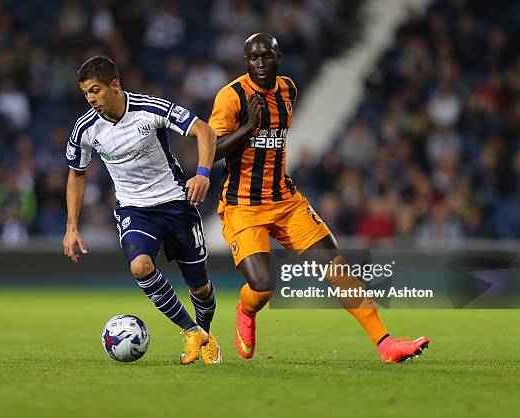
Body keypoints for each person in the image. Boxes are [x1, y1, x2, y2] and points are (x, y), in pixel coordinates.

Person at [209, 33, 429, 363]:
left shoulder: (288, 90)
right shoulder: (232, 97)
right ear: (246, 62)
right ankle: (246, 309)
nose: (260, 64)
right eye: (253, 58)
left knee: (338, 268)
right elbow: (210, 150)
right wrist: (248, 127)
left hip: (286, 200)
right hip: (243, 205)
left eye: (266, 56)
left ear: (277, 57)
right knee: (263, 287)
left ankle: (386, 344)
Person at [63, 56, 221, 365]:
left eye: (95, 90)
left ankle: (206, 332)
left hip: (177, 203)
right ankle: (191, 331)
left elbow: (205, 131)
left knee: (200, 287)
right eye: (85, 93)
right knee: (140, 266)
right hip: (135, 209)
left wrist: (202, 173)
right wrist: (71, 225)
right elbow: (76, 174)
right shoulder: (85, 128)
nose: (90, 98)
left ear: (115, 85)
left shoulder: (151, 109)